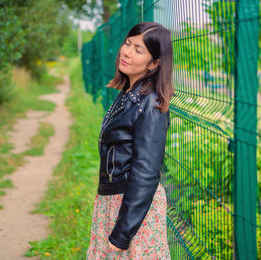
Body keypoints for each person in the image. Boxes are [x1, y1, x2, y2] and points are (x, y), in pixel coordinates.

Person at [86, 22, 173, 259]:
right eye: (127, 43)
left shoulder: (151, 105)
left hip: (131, 209)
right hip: (115, 201)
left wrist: (123, 232)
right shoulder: (129, 94)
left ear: (154, 63)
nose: (126, 52)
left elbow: (146, 171)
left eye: (138, 50)